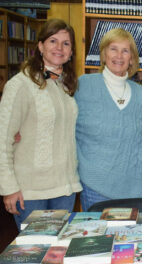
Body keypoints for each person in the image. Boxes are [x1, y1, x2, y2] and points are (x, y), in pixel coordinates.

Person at [0, 19, 82, 230]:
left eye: (66, 43)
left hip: (65, 189)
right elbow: (3, 139)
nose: (59, 48)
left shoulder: (66, 85)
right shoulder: (20, 84)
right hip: (31, 191)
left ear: (71, 51)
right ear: (40, 46)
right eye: (53, 41)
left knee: (56, 253)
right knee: (33, 254)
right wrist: (8, 187)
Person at [75, 28, 142, 211]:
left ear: (132, 59)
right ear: (103, 54)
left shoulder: (141, 94)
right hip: (95, 184)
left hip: (135, 189)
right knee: (99, 239)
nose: (119, 56)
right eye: (113, 49)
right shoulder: (83, 86)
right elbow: (66, 127)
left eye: (125, 50)